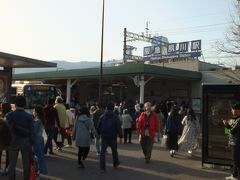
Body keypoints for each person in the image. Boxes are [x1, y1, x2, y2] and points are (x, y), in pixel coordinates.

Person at [6, 96, 35, 180]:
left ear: (15, 104)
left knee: (12, 164)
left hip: (13, 141)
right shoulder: (29, 116)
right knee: (26, 164)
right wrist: (32, 144)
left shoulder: (9, 115)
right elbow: (32, 132)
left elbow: (7, 129)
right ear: (25, 104)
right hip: (26, 141)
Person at [97, 102, 123, 173]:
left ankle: (103, 167)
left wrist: (98, 133)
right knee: (114, 151)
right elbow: (118, 127)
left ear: (106, 108)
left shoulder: (102, 116)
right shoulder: (115, 116)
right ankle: (115, 163)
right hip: (113, 136)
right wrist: (120, 135)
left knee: (102, 152)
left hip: (104, 136)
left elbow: (99, 126)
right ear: (113, 108)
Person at [223, 103, 240, 180]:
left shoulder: (239, 119)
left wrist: (227, 125)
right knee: (235, 160)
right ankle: (234, 175)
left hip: (238, 142)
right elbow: (228, 131)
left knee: (237, 160)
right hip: (234, 142)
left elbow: (233, 131)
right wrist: (227, 125)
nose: (232, 111)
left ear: (238, 110)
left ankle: (237, 176)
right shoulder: (235, 118)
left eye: (233, 110)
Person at [32, 105, 48, 174]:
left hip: (36, 139)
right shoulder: (41, 119)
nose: (33, 112)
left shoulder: (37, 120)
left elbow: (34, 131)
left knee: (38, 156)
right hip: (40, 139)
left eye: (34, 111)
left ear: (36, 112)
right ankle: (41, 170)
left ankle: (40, 170)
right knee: (40, 156)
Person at [0, 103, 12, 176]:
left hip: (1, 138)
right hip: (9, 138)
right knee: (8, 154)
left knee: (0, 153)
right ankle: (7, 167)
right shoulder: (12, 115)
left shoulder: (2, 116)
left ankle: (1, 168)